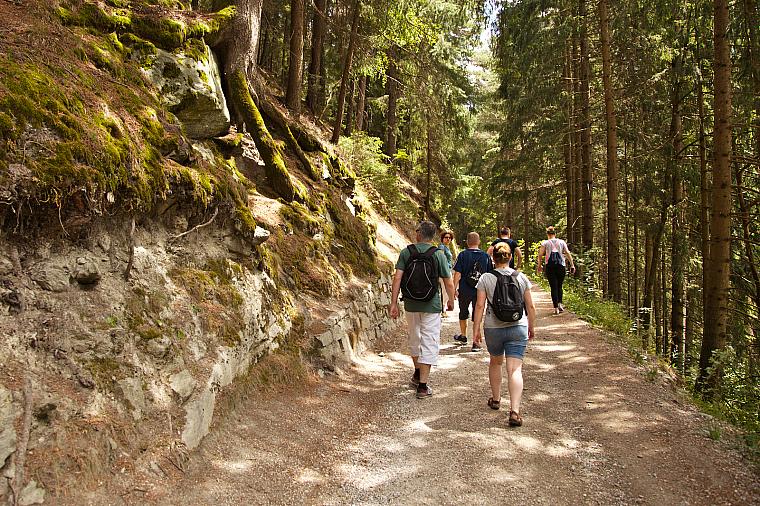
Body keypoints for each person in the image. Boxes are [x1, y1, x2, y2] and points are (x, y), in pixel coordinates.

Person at [390, 221, 455, 399]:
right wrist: (451, 301)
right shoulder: (438, 254)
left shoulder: (406, 252)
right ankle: (423, 386)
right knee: (429, 340)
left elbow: (397, 278)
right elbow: (448, 282)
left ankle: (418, 372)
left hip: (411, 303)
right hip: (431, 304)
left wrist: (393, 303)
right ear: (433, 236)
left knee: (414, 337)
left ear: (419, 233)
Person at [473, 242, 536, 427]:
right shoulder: (521, 277)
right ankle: (515, 411)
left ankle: (496, 399)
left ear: (493, 258)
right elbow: (530, 306)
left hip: (493, 328)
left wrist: (476, 330)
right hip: (518, 326)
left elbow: (479, 306)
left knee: (495, 362)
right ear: (510, 258)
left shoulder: (486, 278)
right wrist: (531, 326)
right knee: (515, 369)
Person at [452, 232, 493, 351]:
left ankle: (463, 335)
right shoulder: (485, 256)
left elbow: (457, 274)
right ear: (479, 242)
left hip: (464, 289)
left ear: (467, 242)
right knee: (478, 314)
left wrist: (454, 289)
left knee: (463, 311)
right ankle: (476, 342)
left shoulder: (462, 255)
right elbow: (490, 275)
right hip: (480, 291)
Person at [537, 226, 576, 315]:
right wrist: (572, 264)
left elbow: (540, 255)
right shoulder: (561, 242)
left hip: (550, 267)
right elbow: (567, 253)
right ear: (555, 234)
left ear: (548, 234)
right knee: (559, 286)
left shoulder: (545, 243)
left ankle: (555, 308)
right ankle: (560, 304)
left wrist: (539, 265)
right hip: (561, 266)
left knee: (553, 286)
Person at [438, 230, 454, 315]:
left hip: (448, 270)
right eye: (446, 237)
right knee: (445, 291)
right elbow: (441, 259)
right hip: (444, 272)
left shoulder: (447, 248)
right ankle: (442, 310)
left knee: (445, 291)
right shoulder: (441, 247)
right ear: (442, 238)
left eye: (449, 238)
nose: (448, 239)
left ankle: (443, 309)